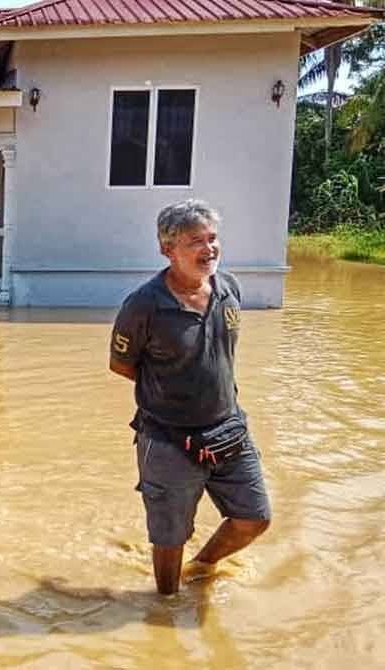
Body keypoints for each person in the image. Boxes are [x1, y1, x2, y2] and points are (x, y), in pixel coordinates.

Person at [109, 200, 271, 595]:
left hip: (229, 428)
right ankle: (164, 603)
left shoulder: (228, 288)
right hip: (167, 440)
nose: (209, 248)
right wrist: (172, 394)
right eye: (195, 241)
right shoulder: (143, 306)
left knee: (255, 518)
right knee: (169, 537)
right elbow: (122, 365)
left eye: (212, 238)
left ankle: (201, 568)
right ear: (168, 249)